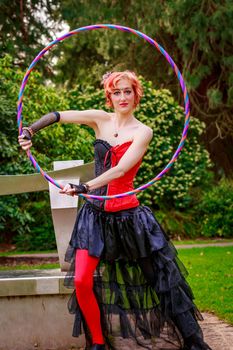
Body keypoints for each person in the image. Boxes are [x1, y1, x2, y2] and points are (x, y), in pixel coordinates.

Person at [18, 71, 212, 350]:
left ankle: (193, 340)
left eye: (127, 91)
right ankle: (98, 343)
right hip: (94, 217)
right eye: (116, 92)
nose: (122, 97)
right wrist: (29, 131)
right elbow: (59, 114)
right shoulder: (100, 119)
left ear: (136, 94)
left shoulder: (143, 131)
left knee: (160, 279)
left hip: (129, 217)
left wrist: (84, 187)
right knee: (82, 280)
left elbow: (120, 169)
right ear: (109, 97)